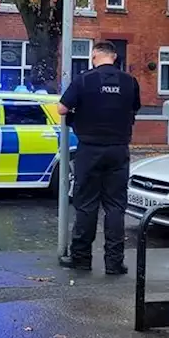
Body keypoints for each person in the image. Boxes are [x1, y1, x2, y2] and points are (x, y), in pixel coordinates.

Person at [56, 41, 141, 275]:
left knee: (86, 205)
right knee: (115, 207)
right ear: (114, 57)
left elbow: (62, 109)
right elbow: (135, 108)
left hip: (90, 150)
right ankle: (114, 263)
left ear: (94, 56)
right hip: (118, 149)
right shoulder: (129, 82)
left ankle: (81, 258)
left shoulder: (84, 80)